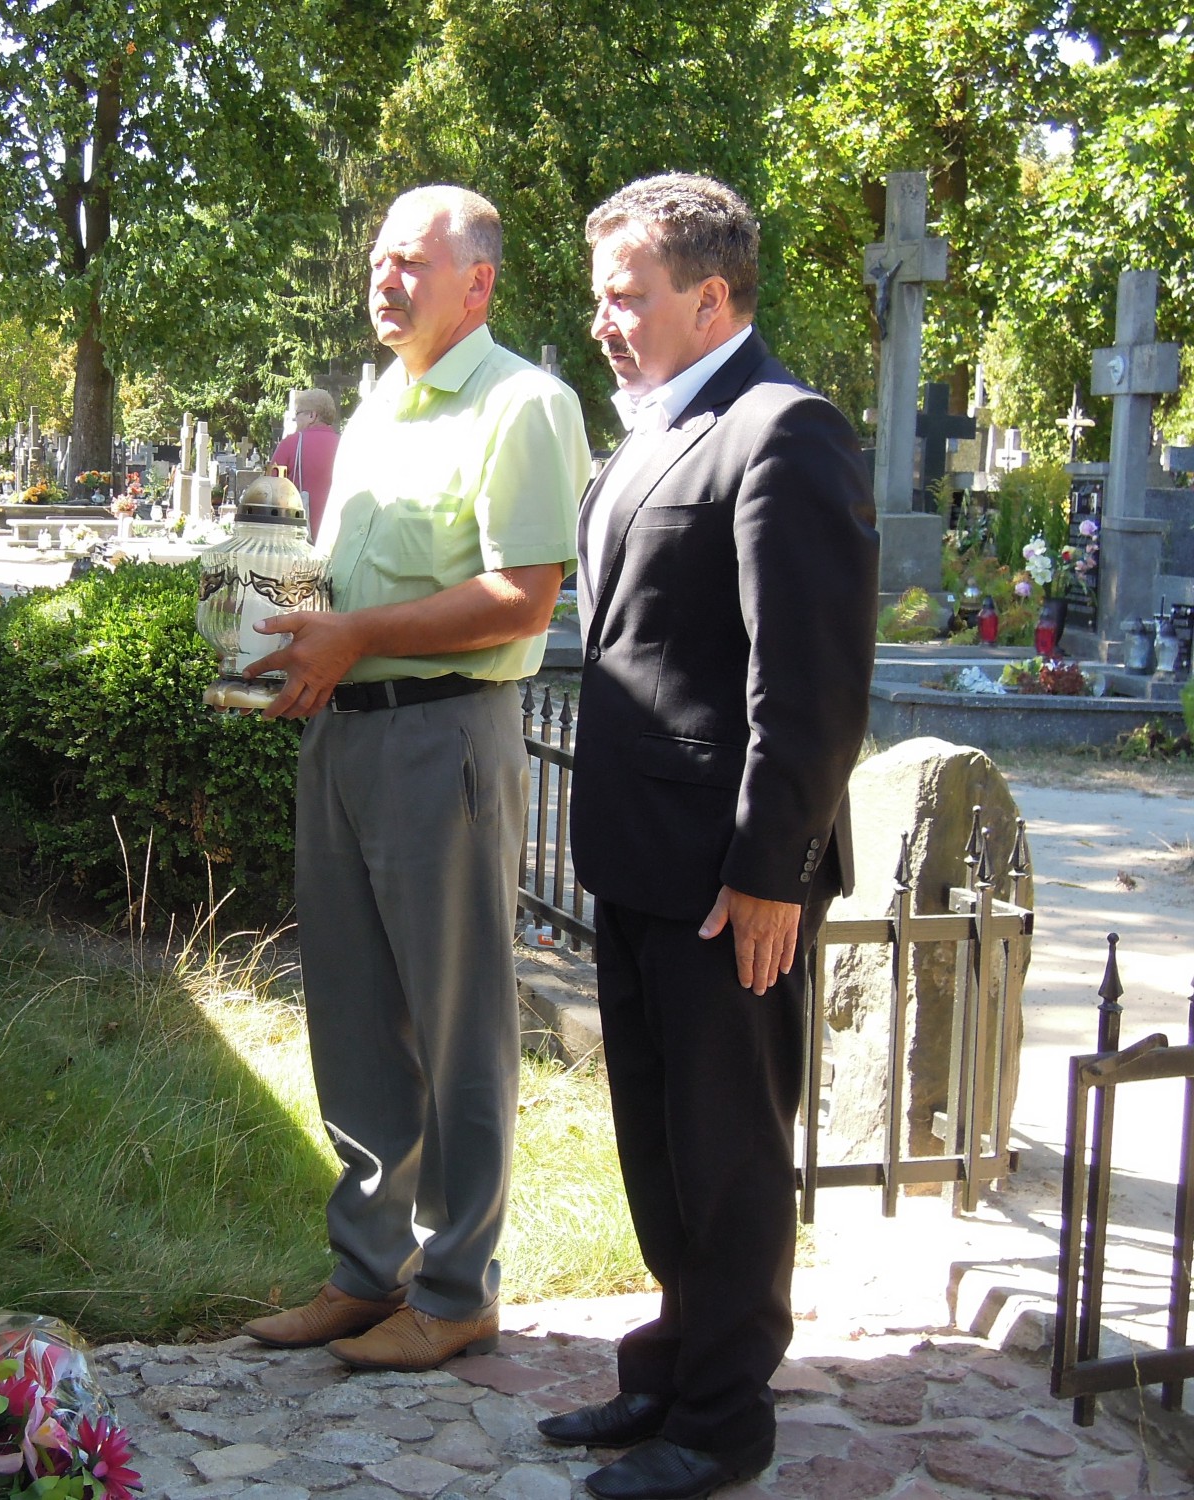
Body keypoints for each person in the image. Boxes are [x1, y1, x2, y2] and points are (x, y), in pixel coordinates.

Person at [537, 175, 877, 1500]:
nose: (603, 319)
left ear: (711, 297)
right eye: (601, 295)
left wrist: (769, 871)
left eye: (626, 295)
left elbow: (810, 686)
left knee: (729, 1153)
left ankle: (725, 1420)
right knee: (657, 1140)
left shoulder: (783, 431)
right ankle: (669, 1368)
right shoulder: (651, 433)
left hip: (730, 878)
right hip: (635, 859)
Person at [236, 185, 590, 1371]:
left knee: (455, 1024)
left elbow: (522, 598)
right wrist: (272, 628)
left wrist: (354, 637)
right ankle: (365, 1271)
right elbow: (351, 576)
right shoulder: (382, 400)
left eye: (409, 264)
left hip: (444, 736)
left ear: (475, 282)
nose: (382, 281)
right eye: (376, 262)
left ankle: (455, 1287)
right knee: (350, 1012)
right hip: (342, 730)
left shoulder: (522, 404)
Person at [270, 388, 342, 538]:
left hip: (298, 537)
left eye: (298, 414)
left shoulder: (291, 444)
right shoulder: (345, 445)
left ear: (311, 416)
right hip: (337, 535)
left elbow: (269, 490)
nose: (296, 420)